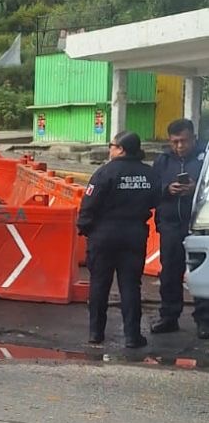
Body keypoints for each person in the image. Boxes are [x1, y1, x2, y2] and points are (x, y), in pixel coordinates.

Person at [78, 130, 162, 349]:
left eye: (112, 145)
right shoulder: (149, 173)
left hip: (104, 235)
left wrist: (86, 229)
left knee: (99, 284)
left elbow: (88, 204)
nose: (110, 149)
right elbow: (156, 199)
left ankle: (96, 333)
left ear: (121, 149)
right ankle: (133, 336)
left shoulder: (105, 172)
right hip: (134, 234)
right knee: (131, 286)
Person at [150, 118, 209, 338]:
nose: (179, 146)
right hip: (171, 224)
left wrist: (197, 189)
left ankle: (205, 320)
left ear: (193, 137)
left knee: (201, 273)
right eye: (175, 142)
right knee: (170, 272)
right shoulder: (163, 160)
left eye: (183, 141)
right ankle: (169, 316)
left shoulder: (205, 158)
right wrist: (167, 188)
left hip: (199, 226)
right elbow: (152, 187)